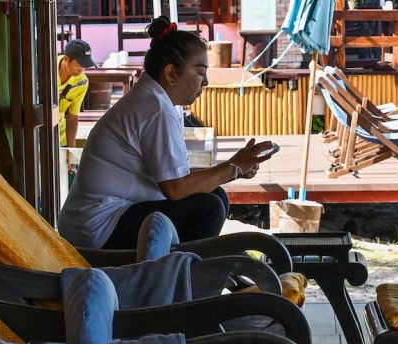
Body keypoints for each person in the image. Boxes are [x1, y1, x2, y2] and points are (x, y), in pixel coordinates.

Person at [59, 16, 275, 249]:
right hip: (97, 228)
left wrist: (233, 167)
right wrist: (232, 168)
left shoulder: (152, 100)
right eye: (200, 73)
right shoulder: (155, 109)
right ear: (171, 74)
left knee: (216, 196)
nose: (205, 83)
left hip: (101, 219)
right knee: (208, 209)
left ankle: (183, 270)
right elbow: (176, 189)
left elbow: (174, 176)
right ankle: (183, 275)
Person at [58, 39, 95, 147]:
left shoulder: (82, 82)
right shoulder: (45, 70)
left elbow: (72, 117)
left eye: (85, 65)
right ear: (66, 59)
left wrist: (71, 148)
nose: (82, 69)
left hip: (60, 138)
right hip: (36, 138)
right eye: (80, 64)